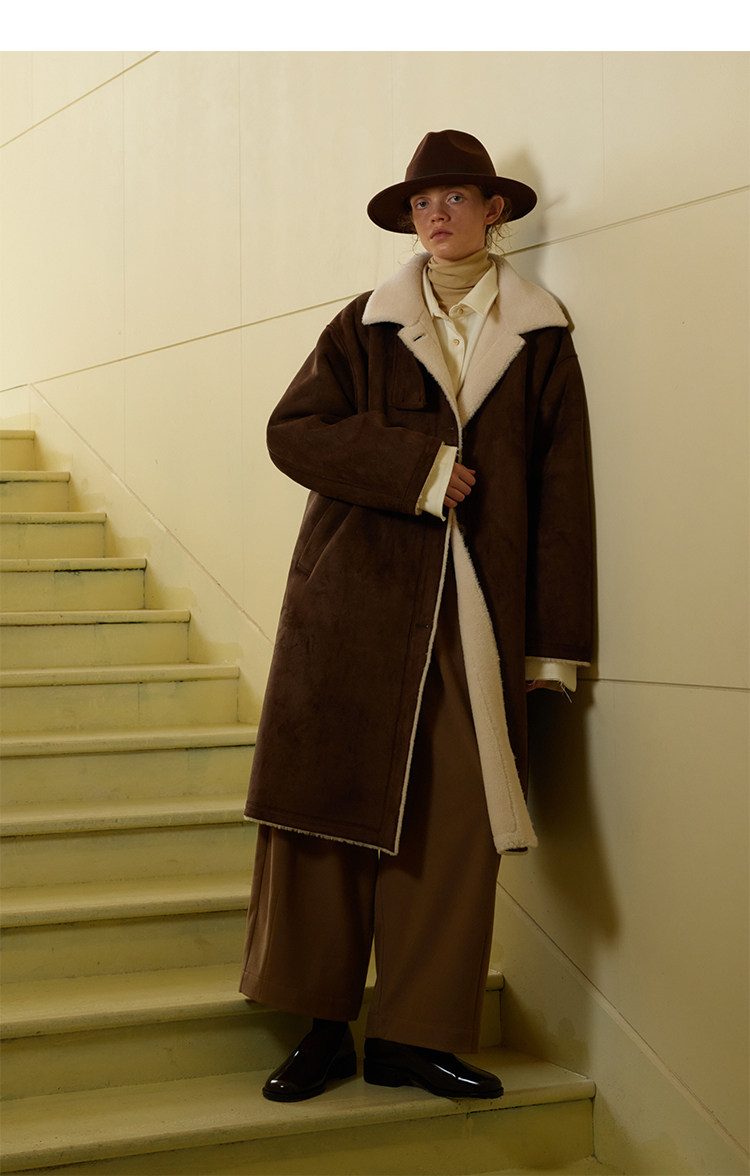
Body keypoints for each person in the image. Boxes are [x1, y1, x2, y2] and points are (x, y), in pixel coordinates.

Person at [240, 129, 593, 1103]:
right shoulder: (364, 325)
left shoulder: (541, 337)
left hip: (474, 615)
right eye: (422, 203)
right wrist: (421, 469)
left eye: (456, 199)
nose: (436, 216)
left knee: (454, 821)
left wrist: (553, 645)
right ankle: (318, 1030)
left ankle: (412, 1036)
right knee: (322, 816)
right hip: (349, 606)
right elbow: (292, 431)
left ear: (494, 210)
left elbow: (563, 493)